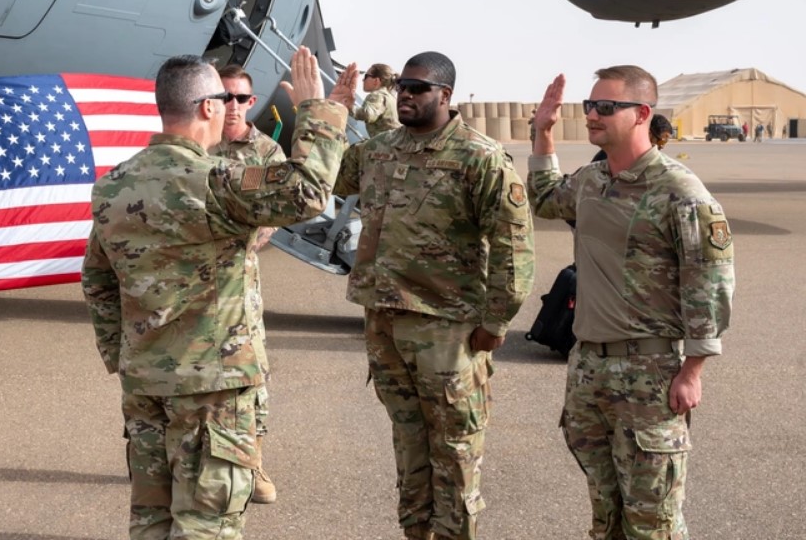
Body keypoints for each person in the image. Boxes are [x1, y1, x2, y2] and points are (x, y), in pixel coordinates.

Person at [82, 49, 357, 539]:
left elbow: (97, 281)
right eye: (222, 100)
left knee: (151, 518)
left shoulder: (113, 186)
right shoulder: (214, 181)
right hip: (212, 387)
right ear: (208, 108)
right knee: (207, 524)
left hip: (144, 381)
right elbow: (308, 192)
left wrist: (124, 356)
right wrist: (319, 110)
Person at [332, 51, 535, 540]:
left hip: (446, 326)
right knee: (409, 443)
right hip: (384, 321)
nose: (404, 94)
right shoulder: (377, 150)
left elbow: (513, 245)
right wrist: (327, 114)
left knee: (455, 448)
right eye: (401, 85)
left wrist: (496, 319)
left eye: (417, 88)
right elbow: (322, 180)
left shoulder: (479, 157)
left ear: (445, 96)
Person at [528, 67, 734, 539]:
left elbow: (711, 284)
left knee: (652, 520)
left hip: (650, 375)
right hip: (588, 370)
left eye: (606, 107)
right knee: (606, 514)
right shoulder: (592, 180)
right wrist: (543, 133)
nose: (592, 115)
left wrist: (693, 370)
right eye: (589, 106)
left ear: (642, 114)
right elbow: (543, 199)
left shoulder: (679, 192)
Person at [211, 63, 287, 504]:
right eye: (224, 97)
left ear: (251, 102)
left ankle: (252, 464)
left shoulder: (265, 154)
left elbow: (270, 221)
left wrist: (230, 239)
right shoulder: (197, 145)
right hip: (190, 290)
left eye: (240, 98)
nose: (232, 106)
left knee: (250, 378)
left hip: (240, 289)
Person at [350, 62, 401, 136]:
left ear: (376, 80)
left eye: (366, 76)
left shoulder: (377, 95)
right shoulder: (392, 98)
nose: (363, 80)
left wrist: (349, 107)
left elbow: (368, 114)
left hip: (386, 144)